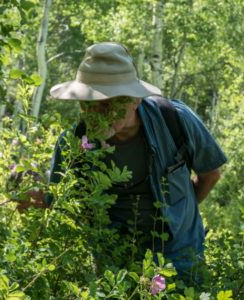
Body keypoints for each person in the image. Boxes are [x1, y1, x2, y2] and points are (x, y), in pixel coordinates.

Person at [46, 42, 227, 279]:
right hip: (114, 272)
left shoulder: (176, 119)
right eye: (87, 103)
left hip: (181, 261)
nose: (95, 114)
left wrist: (179, 213)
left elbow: (210, 175)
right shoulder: (73, 144)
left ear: (135, 100)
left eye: (108, 103)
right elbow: (58, 204)